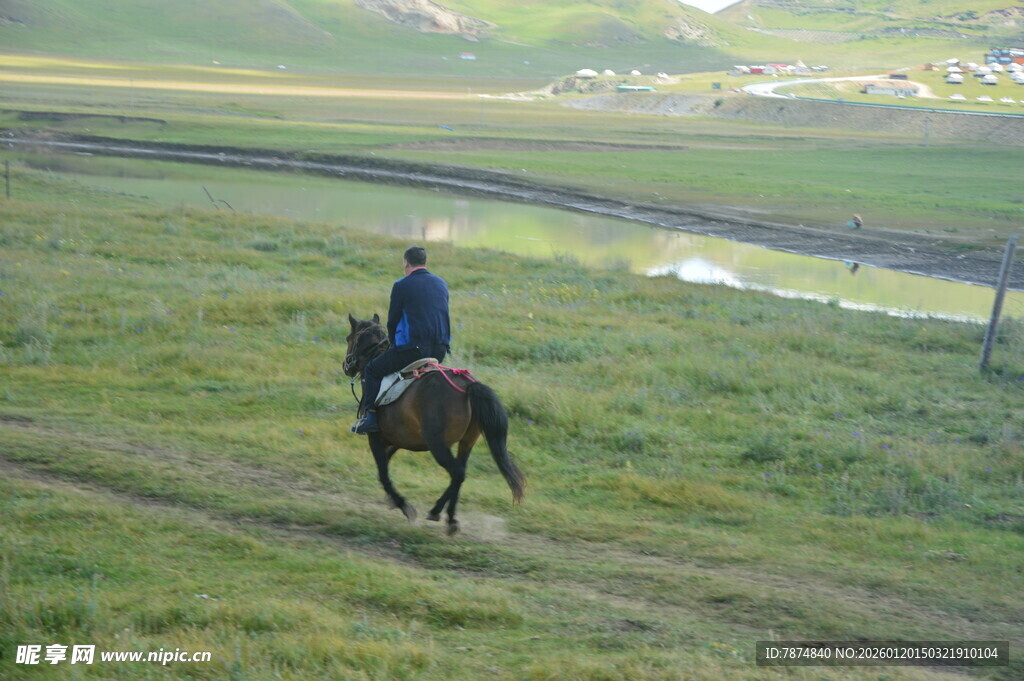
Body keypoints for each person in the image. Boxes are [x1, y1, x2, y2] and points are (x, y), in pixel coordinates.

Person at [351, 246, 451, 434]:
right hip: (440, 350)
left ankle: (370, 417)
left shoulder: (402, 285)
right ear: (425, 262)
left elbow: (393, 320)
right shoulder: (441, 283)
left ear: (406, 262)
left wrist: (393, 346)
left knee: (372, 369)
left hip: (414, 350)